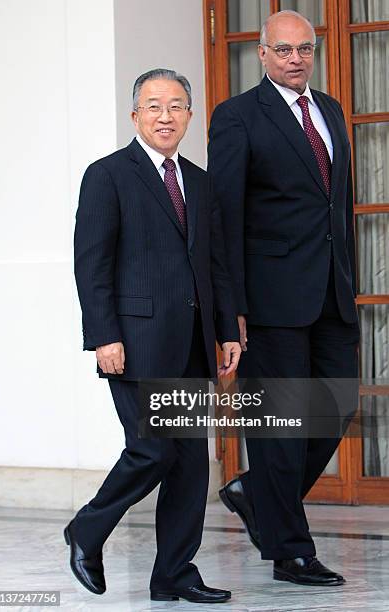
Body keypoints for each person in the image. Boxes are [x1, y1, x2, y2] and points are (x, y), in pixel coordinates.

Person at [65, 68, 241, 604]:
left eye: (176, 106)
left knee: (189, 466)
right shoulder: (108, 175)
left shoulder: (201, 180)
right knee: (152, 452)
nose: (166, 116)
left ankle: (174, 575)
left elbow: (215, 263)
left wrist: (227, 326)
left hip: (191, 341)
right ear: (135, 114)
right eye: (154, 106)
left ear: (189, 114)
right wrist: (103, 336)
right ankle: (86, 530)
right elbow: (91, 264)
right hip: (135, 342)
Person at [208, 10, 360, 586]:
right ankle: (291, 552)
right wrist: (233, 308)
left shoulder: (332, 111)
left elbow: (335, 207)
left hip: (331, 293)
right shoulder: (238, 117)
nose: (296, 59)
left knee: (336, 406)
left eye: (306, 49)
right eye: (285, 50)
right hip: (270, 302)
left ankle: (255, 493)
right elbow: (223, 220)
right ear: (263, 55)